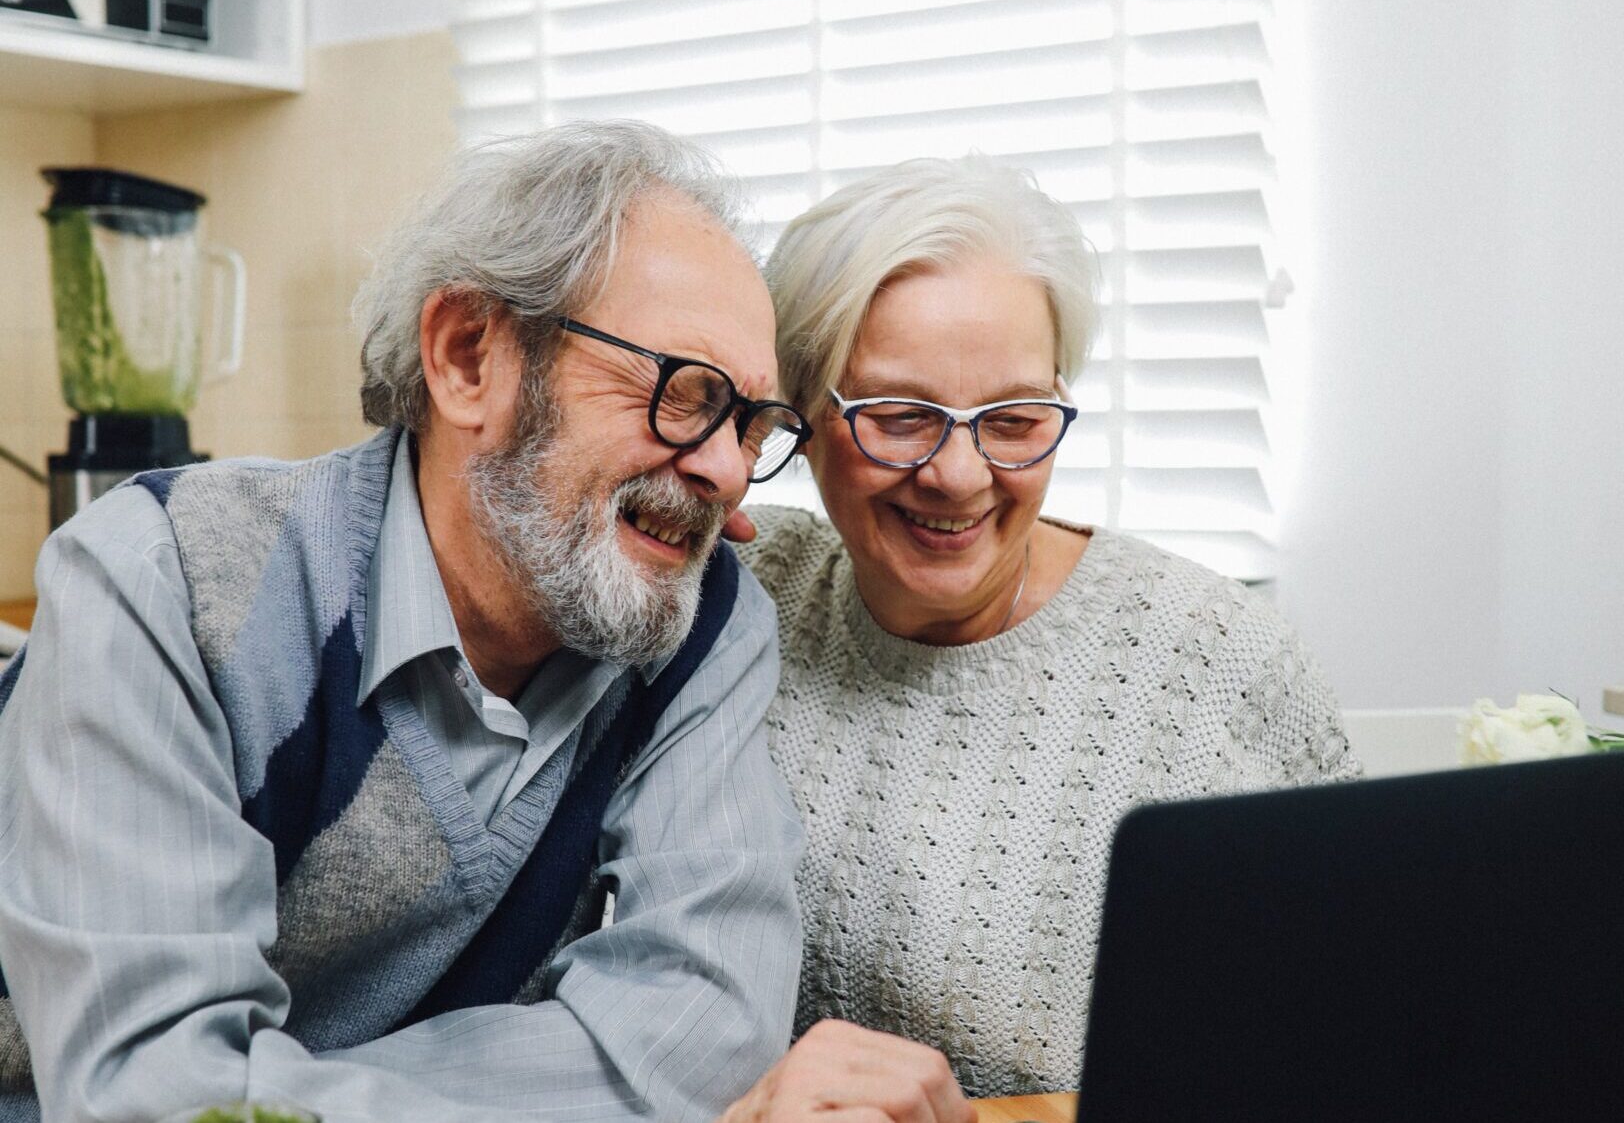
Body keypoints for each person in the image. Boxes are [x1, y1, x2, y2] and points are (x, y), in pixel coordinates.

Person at [0, 122, 972, 1123]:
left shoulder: (706, 623)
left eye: (751, 425)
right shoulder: (160, 578)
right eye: (687, 394)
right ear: (470, 358)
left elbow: (704, 1037)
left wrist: (280, 1086)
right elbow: (154, 1095)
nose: (726, 470)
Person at [734, 156, 1362, 1098]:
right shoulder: (736, 592)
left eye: (1016, 419)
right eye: (900, 417)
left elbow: (1350, 1034)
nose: (959, 475)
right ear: (801, 418)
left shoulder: (1216, 659)